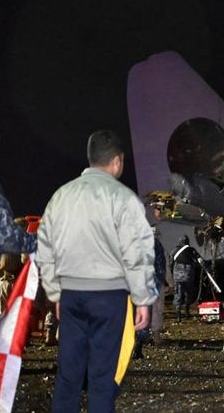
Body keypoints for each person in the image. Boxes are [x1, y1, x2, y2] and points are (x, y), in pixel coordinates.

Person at [35, 130, 158, 412]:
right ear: (117, 161)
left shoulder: (61, 196)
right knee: (103, 375)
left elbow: (45, 248)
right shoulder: (124, 199)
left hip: (72, 294)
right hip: (109, 295)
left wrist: (55, 293)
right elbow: (138, 253)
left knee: (68, 374)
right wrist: (143, 299)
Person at [133, 227, 167, 358]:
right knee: (144, 315)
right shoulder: (155, 243)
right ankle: (138, 346)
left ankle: (129, 344)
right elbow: (160, 266)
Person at [171, 234, 200, 321]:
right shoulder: (191, 250)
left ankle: (178, 314)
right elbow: (197, 262)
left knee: (178, 294)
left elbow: (170, 263)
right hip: (188, 276)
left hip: (177, 277)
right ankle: (187, 312)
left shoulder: (174, 251)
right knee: (188, 294)